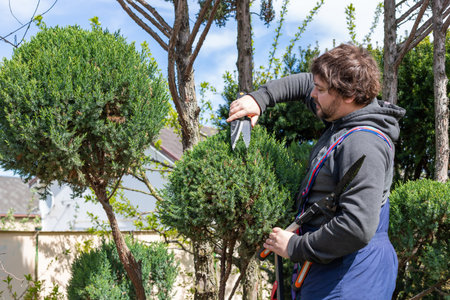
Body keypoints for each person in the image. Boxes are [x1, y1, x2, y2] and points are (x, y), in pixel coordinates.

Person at [227, 44, 405, 299]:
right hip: (331, 267)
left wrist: (296, 246)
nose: (312, 94)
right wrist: (259, 98)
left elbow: (357, 227)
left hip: (351, 278)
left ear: (349, 95)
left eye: (320, 90)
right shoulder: (344, 118)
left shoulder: (363, 143)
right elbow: (303, 84)